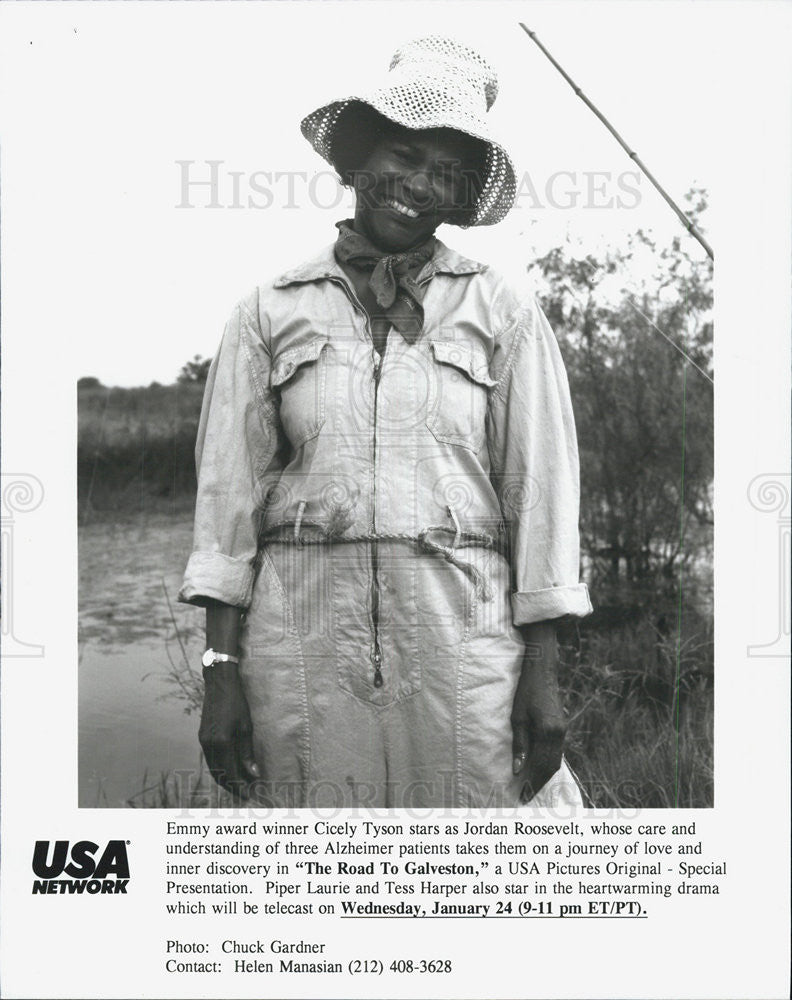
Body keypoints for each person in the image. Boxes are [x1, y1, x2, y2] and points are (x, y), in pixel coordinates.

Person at [179, 36, 592, 809]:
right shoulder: (269, 309)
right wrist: (220, 672)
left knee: (489, 869)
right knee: (327, 870)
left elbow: (542, 496)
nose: (420, 186)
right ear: (360, 159)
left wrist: (542, 675)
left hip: (462, 648)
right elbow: (224, 509)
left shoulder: (501, 310)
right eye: (404, 156)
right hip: (297, 647)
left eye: (448, 173)